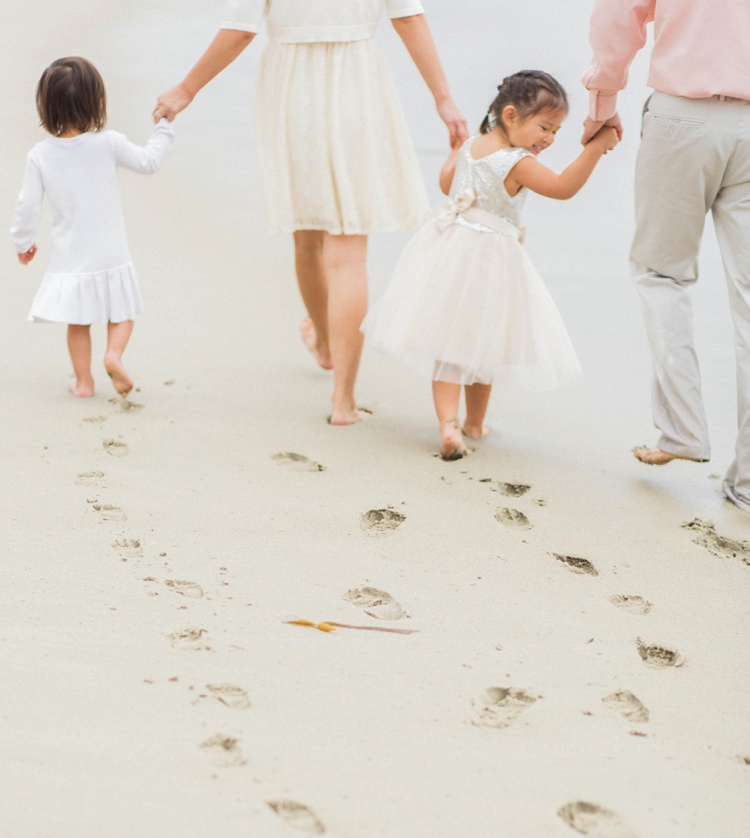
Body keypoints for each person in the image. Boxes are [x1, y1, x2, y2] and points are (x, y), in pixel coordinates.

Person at [153, 0, 468, 426]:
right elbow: (408, 17)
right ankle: (343, 401)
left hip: (291, 84)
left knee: (306, 236)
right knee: (348, 251)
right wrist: (443, 98)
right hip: (358, 79)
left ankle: (323, 341)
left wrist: (186, 89)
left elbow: (242, 30)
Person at [363, 71, 619, 459]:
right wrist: (595, 148)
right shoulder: (516, 161)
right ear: (512, 116)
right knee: (483, 345)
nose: (548, 139)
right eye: (545, 127)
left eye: (556, 132)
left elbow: (448, 184)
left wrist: (454, 153)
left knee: (448, 345)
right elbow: (563, 188)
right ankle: (475, 424)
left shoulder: (472, 146)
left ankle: (450, 425)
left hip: (449, 252)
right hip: (490, 264)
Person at [582, 0, 750, 514]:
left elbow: (617, 16)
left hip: (682, 115)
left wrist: (602, 103)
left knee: (661, 275)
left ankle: (683, 430)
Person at [10, 57, 175, 398]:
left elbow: (27, 207)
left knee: (78, 322)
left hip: (72, 257)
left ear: (47, 105)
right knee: (123, 312)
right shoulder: (108, 143)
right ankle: (113, 354)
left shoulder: (40, 155)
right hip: (110, 251)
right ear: (98, 102)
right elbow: (148, 161)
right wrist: (163, 128)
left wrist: (23, 242)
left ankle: (84, 383)